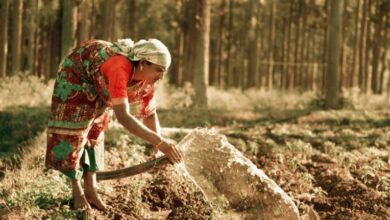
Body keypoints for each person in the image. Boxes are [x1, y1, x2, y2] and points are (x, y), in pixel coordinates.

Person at [45, 38, 183, 211]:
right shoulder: (120, 68)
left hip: (101, 84)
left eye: (164, 72)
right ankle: (77, 191)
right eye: (158, 70)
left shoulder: (149, 81)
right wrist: (159, 142)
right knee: (74, 130)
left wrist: (158, 144)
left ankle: (91, 190)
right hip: (77, 76)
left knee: (97, 129)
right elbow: (124, 116)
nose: (161, 76)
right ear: (142, 63)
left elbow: (149, 112)